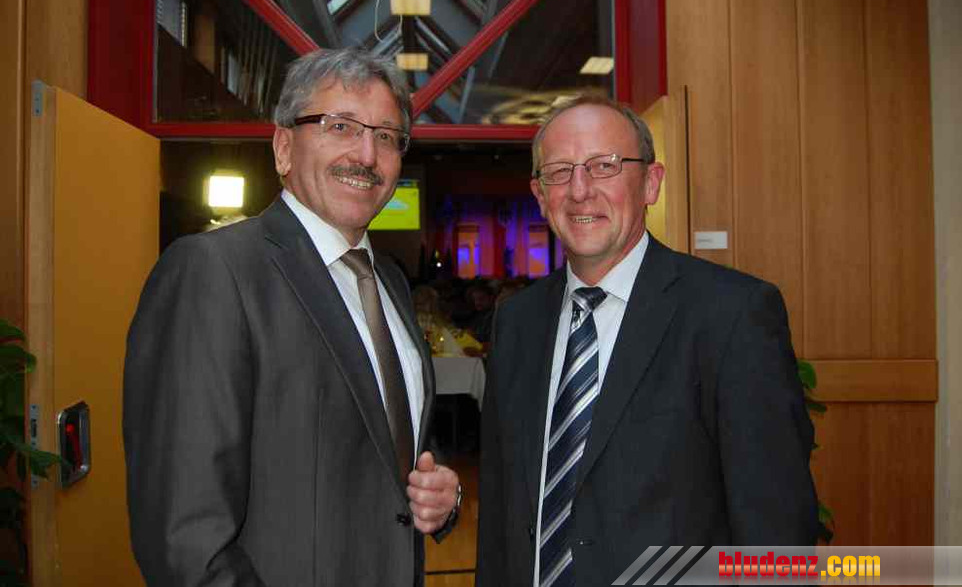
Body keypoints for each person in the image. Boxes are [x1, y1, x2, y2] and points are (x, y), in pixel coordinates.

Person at [124, 48, 460, 587]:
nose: (366, 155)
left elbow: (382, 439)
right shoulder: (214, 272)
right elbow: (185, 537)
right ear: (283, 148)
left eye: (386, 136)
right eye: (340, 126)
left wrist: (439, 490)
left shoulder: (389, 281)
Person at [476, 96, 819, 587]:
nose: (580, 190)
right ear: (539, 195)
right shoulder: (516, 322)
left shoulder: (731, 315)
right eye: (559, 172)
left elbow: (775, 523)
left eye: (604, 166)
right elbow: (500, 505)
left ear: (651, 183)